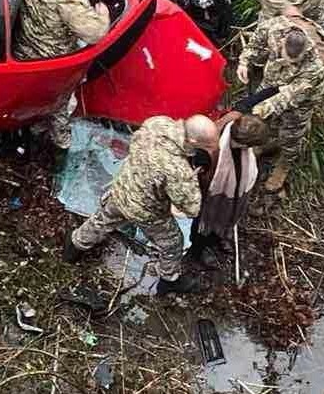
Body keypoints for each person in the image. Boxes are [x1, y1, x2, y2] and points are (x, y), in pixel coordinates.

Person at [63, 115, 220, 295]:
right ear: (193, 141)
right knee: (173, 243)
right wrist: (195, 172)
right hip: (146, 210)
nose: (210, 149)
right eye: (208, 145)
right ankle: (169, 280)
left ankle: (74, 246)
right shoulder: (179, 171)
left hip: (122, 188)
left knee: (102, 221)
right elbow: (191, 208)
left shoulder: (157, 122)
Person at [15, 0, 111, 152]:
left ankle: (30, 126)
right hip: (51, 60)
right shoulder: (70, 1)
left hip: (25, 47)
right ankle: (61, 142)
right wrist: (103, 16)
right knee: (59, 103)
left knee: (31, 96)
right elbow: (95, 34)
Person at [235, 15, 324, 192]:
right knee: (266, 122)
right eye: (284, 56)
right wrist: (244, 62)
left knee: (291, 133)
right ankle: (265, 143)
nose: (287, 62)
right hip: (272, 80)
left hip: (300, 99)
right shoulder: (275, 27)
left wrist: (257, 109)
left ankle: (285, 163)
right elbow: (256, 42)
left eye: (293, 62)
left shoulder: (315, 66)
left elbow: (288, 97)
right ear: (283, 41)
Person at [187, 112, 271, 266]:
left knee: (226, 213)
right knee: (204, 221)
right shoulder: (212, 149)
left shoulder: (236, 122)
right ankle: (198, 250)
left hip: (233, 191)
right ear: (243, 144)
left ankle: (218, 237)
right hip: (210, 195)